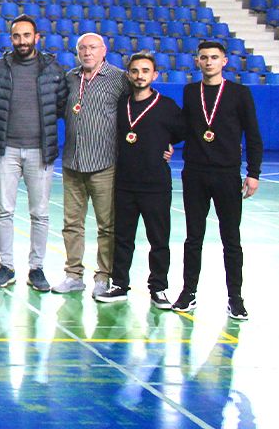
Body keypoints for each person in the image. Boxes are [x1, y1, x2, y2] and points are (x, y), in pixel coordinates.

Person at [173, 41, 262, 321]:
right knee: (193, 238)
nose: (209, 61)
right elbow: (183, 128)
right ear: (197, 61)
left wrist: (254, 173)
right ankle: (188, 291)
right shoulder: (190, 92)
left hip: (226, 174)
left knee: (231, 239)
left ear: (224, 61)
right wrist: (165, 142)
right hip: (195, 173)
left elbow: (253, 135)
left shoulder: (239, 93)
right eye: (204, 57)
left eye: (214, 57)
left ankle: (235, 298)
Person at [0, 14, 67, 292]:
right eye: (17, 36)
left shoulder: (53, 69)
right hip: (5, 150)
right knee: (4, 211)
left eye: (27, 35)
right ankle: (6, 266)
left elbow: (61, 105)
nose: (22, 41)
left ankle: (37, 268)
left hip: (40, 152)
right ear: (11, 39)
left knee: (40, 213)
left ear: (37, 37)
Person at [96, 53, 185, 308]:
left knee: (159, 240)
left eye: (145, 71)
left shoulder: (166, 106)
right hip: (125, 183)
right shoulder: (121, 104)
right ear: (128, 75)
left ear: (154, 75)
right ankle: (119, 284)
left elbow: (182, 131)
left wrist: (168, 145)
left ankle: (158, 288)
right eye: (134, 71)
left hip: (156, 185)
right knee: (123, 238)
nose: (139, 76)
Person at [54, 33, 131, 297]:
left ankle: (103, 277)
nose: (87, 52)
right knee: (71, 225)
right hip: (72, 163)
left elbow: (137, 112)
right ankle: (73, 275)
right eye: (82, 48)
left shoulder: (119, 79)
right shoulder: (70, 78)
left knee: (107, 226)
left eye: (93, 48)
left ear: (104, 50)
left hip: (104, 164)